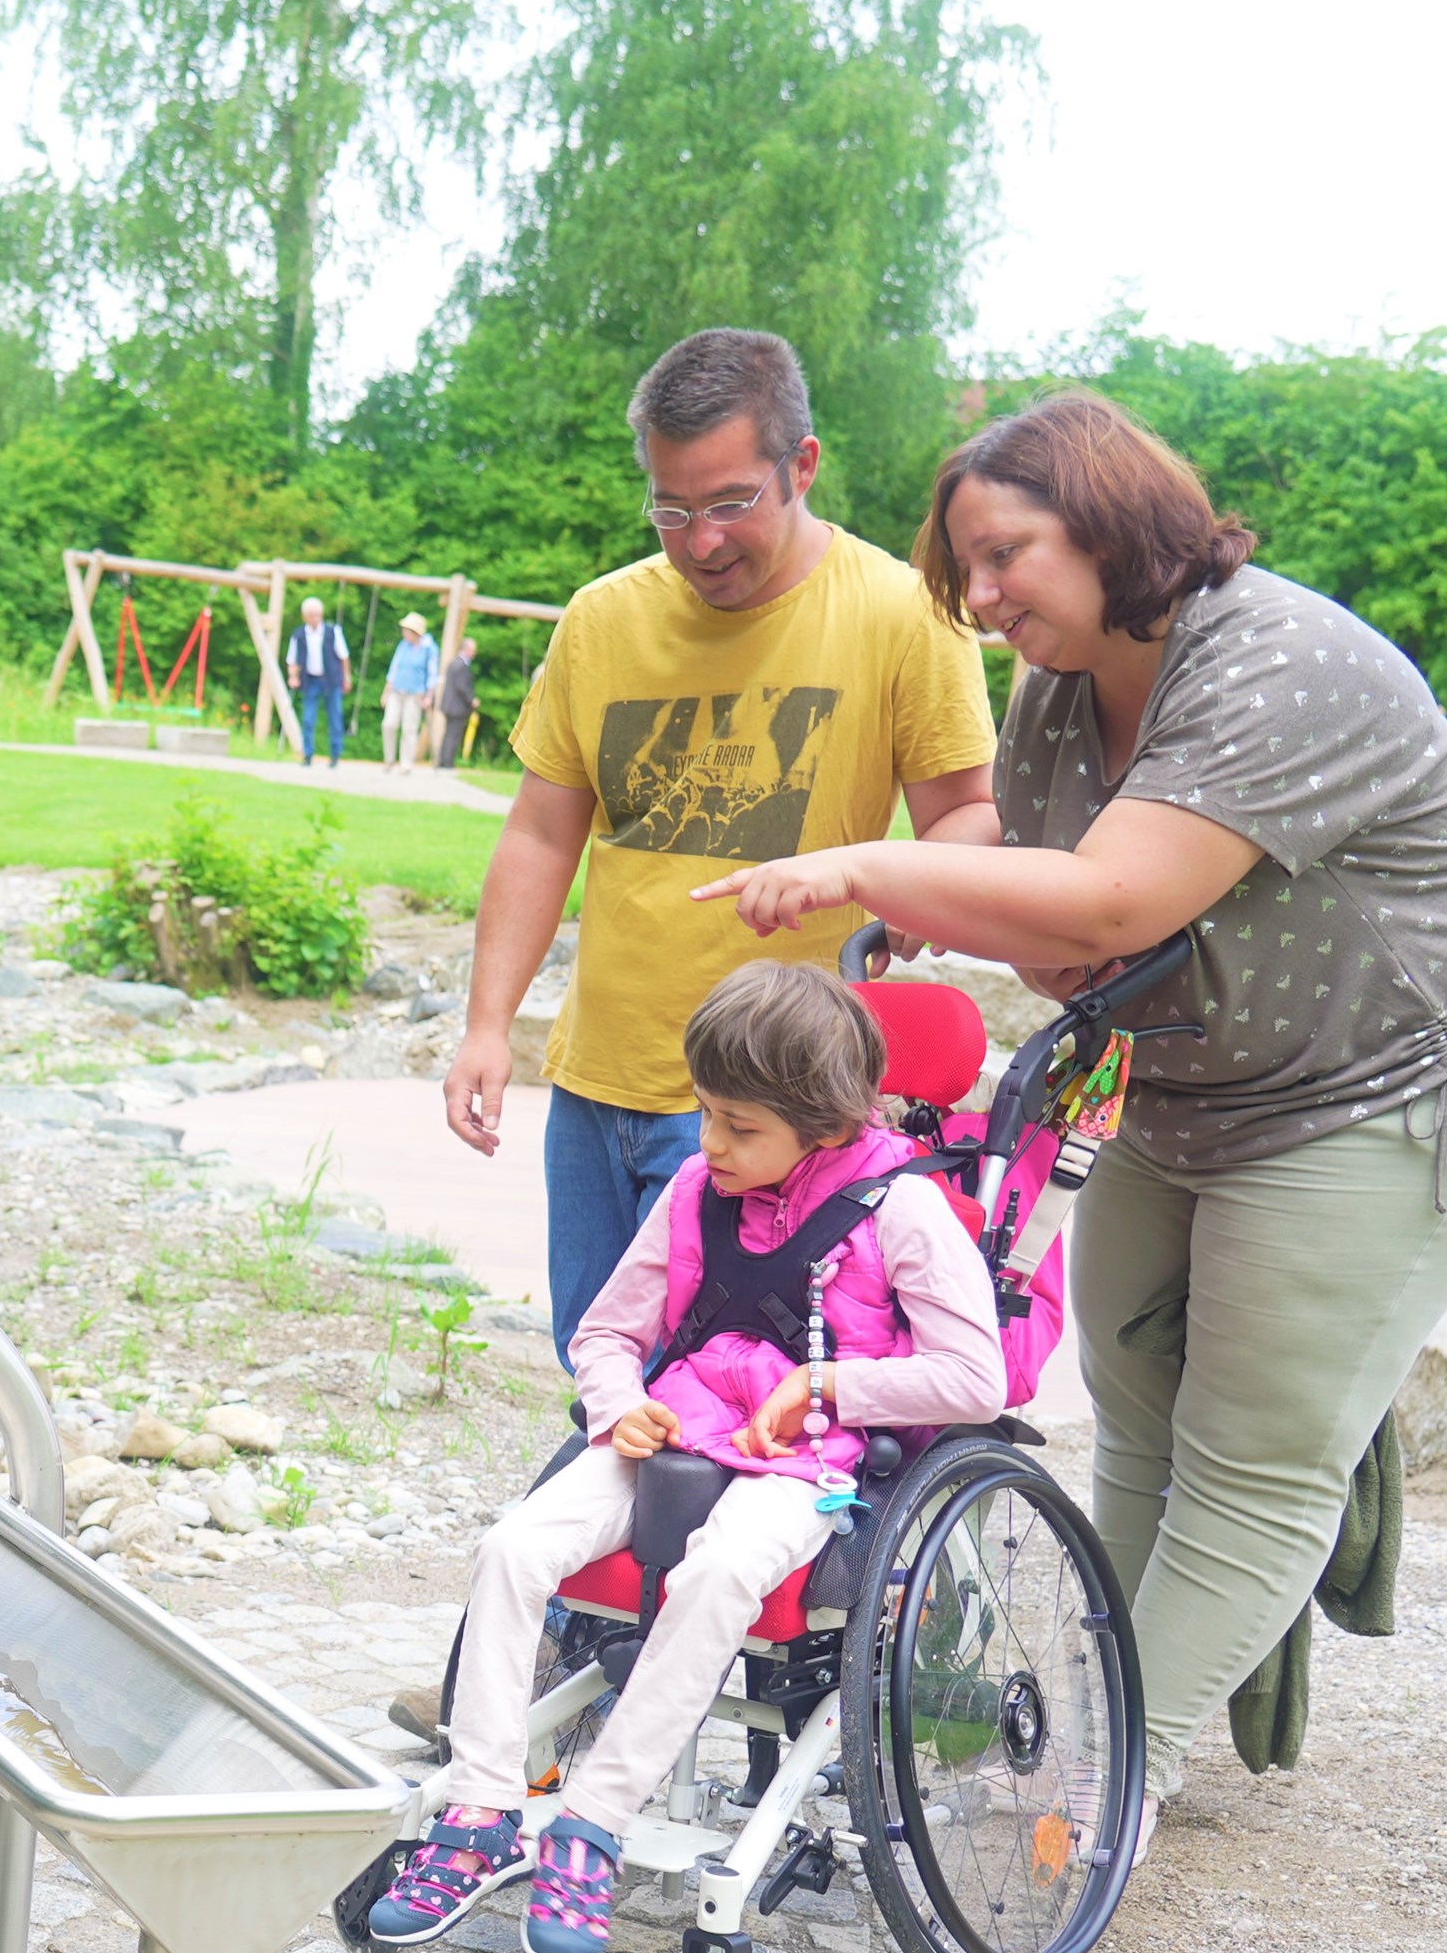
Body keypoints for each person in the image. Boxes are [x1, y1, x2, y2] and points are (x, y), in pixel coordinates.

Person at [692, 388, 1447, 1841]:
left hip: (1398, 1091)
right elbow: (1031, 874)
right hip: (1195, 1081)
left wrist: (876, 871)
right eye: (962, 569)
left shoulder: (1277, 660)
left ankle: (1110, 1774)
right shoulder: (1066, 679)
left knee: (1253, 1450)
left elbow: (1112, 898)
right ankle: (1099, 1707)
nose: (979, 598)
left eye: (1004, 556)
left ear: (1111, 521)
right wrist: (920, 876)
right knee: (1136, 1418)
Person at [371, 961, 1009, 1953]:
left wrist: (832, 1385)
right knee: (512, 1548)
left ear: (828, 1127)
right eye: (704, 1113)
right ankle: (483, 1806)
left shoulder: (902, 1211)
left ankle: (593, 1820)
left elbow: (976, 1377)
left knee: (718, 1575)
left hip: (808, 1462)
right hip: (671, 1432)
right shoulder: (692, 1189)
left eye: (739, 1127)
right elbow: (608, 1334)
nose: (709, 1142)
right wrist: (618, 1405)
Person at [443, 328, 999, 1363]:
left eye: (729, 502)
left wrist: (903, 899)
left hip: (778, 1105)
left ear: (802, 466)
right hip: (599, 1088)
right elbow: (537, 832)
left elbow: (967, 818)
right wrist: (487, 1024)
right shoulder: (601, 619)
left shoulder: (901, 615)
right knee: (602, 1377)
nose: (698, 541)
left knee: (742, 1410)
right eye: (669, 509)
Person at [283, 594, 352, 765]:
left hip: (331, 680)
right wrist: (293, 677)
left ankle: (335, 754)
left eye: (318, 615)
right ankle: (307, 754)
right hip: (310, 680)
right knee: (308, 718)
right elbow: (292, 660)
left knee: (335, 717)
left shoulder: (333, 632)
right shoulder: (299, 635)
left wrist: (346, 677)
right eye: (312, 615)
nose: (316, 618)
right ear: (305, 616)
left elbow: (344, 657)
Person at [380, 614, 437, 767]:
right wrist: (386, 692)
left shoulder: (429, 649)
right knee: (388, 724)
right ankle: (389, 759)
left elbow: (432, 674)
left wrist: (429, 696)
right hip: (396, 691)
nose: (403, 632)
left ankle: (406, 763)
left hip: (415, 693)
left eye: (406, 630)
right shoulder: (403, 646)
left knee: (409, 728)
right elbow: (394, 669)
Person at [431, 634, 480, 768]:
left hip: (449, 706)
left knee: (449, 734)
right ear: (466, 649)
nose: (474, 652)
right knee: (453, 735)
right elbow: (462, 686)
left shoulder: (453, 663)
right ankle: (447, 763)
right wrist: (472, 700)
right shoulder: (461, 665)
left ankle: (443, 760)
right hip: (457, 707)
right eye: (473, 649)